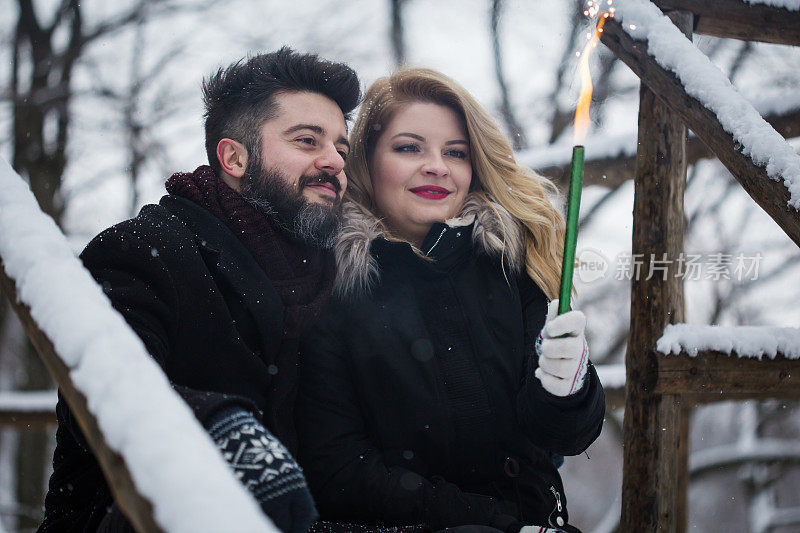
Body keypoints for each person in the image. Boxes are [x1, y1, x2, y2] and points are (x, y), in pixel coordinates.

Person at [38, 47, 360, 533]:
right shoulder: (139, 251)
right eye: (307, 140)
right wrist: (221, 429)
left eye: (341, 146)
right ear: (233, 157)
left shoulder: (336, 277)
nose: (334, 160)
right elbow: (108, 386)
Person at [294, 68, 605, 533]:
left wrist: (568, 389)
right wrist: (492, 523)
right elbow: (340, 470)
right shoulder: (331, 285)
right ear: (365, 163)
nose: (437, 165)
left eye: (455, 153)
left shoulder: (512, 267)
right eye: (409, 147)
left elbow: (559, 438)